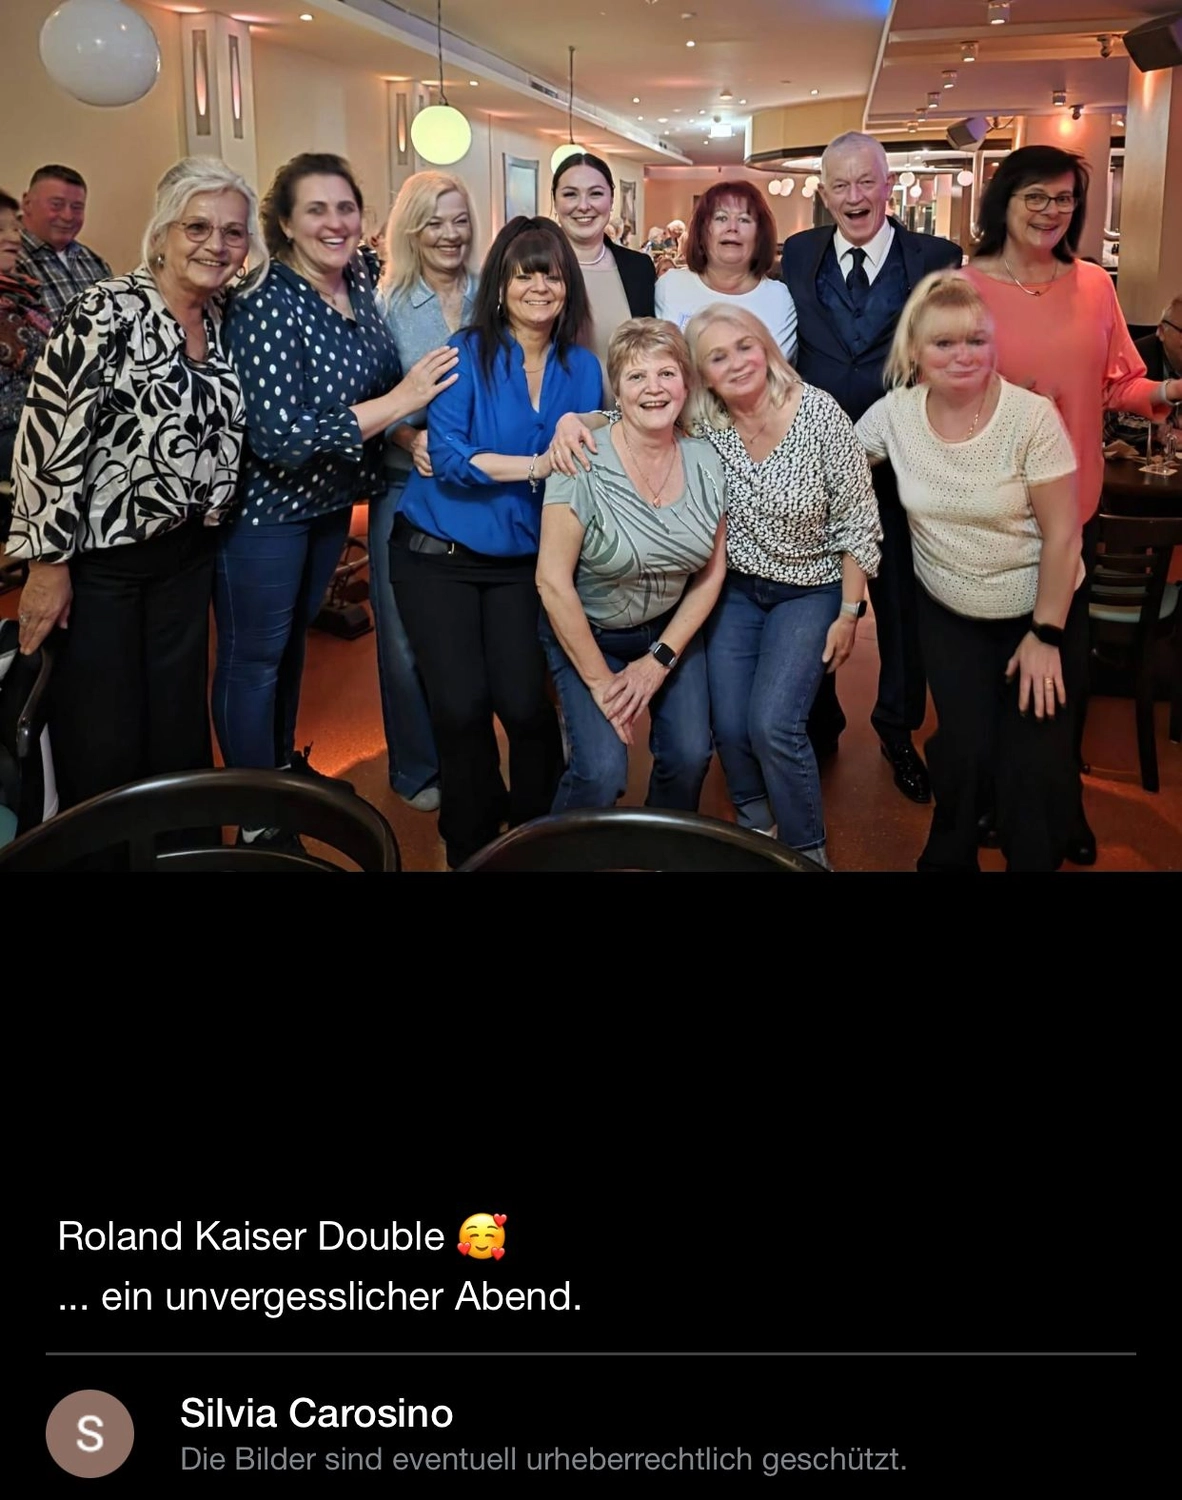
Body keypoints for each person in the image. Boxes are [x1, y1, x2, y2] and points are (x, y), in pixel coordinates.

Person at [213, 153, 458, 847]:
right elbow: (281, 437)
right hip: (267, 511)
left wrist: (403, 424)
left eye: (345, 208)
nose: (335, 223)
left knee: (290, 649)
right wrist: (403, 401)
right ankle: (256, 815)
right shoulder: (265, 299)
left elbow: (372, 387)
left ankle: (280, 773)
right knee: (253, 660)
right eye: (316, 210)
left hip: (329, 502)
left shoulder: (358, 278)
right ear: (285, 223)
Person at [7, 157, 260, 809]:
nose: (216, 244)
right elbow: (48, 436)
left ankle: (177, 844)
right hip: (102, 564)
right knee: (103, 731)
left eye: (233, 232)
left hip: (187, 555)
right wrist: (46, 564)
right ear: (163, 232)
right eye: (197, 227)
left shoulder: (223, 315)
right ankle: (106, 850)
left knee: (176, 724)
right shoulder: (107, 308)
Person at [962, 144, 1180, 864]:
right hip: (990, 515)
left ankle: (1060, 809)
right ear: (1004, 201)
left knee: (1062, 677)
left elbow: (1118, 383)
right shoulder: (965, 285)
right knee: (997, 675)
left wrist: (1166, 392)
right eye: (1036, 196)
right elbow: (939, 387)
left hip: (1070, 518)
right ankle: (997, 803)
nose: (1051, 211)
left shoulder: (1093, 284)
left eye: (1064, 199)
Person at [389, 216, 602, 869]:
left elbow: (597, 441)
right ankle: (472, 842)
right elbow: (450, 459)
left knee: (524, 704)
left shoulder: (582, 367)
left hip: (521, 561)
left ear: (567, 286)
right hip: (437, 555)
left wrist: (587, 423)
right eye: (524, 274)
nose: (539, 287)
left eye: (551, 275)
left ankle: (539, 833)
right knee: (460, 708)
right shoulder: (464, 353)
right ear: (501, 285)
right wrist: (539, 464)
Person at [856, 273, 1083, 871]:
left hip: (1041, 611)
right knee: (961, 753)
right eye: (944, 343)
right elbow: (832, 461)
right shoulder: (894, 416)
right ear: (915, 352)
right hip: (951, 614)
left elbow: (1064, 536)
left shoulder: (1030, 418)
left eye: (976, 341)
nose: (963, 356)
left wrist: (1045, 635)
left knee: (1030, 771)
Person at [781, 130, 961, 801]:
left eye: (866, 182)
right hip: (817, 463)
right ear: (824, 193)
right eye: (840, 184)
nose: (854, 196)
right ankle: (819, 720)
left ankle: (897, 729)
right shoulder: (798, 253)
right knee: (816, 593)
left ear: (889, 187)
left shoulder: (936, 257)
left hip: (904, 465)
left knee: (901, 607)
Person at [685, 305, 880, 868]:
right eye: (718, 357)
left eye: (745, 346)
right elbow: (628, 413)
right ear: (704, 376)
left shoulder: (819, 413)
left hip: (810, 588)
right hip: (736, 590)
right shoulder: (705, 423)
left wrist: (849, 612)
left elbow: (858, 522)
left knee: (773, 723)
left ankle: (805, 852)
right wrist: (579, 423)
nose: (737, 363)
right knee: (728, 724)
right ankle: (755, 821)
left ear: (766, 347)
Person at [536, 318, 727, 811]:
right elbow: (552, 582)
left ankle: (652, 844)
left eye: (666, 373)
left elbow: (711, 574)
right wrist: (602, 684)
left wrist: (658, 660)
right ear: (617, 391)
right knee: (600, 773)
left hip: (668, 628)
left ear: (686, 384)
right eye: (637, 376)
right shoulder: (580, 458)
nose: (654, 388)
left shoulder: (707, 460)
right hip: (590, 629)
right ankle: (552, 847)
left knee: (690, 755)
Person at [372, 171, 479, 814]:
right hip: (402, 482)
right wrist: (408, 436)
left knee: (465, 634)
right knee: (402, 637)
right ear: (411, 229)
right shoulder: (386, 306)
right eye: (435, 221)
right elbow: (371, 402)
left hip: (479, 484)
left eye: (460, 220)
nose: (449, 234)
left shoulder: (490, 295)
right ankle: (415, 765)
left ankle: (469, 761)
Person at [551, 152, 656, 394]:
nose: (583, 206)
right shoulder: (536, 269)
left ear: (611, 199)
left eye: (596, 194)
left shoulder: (639, 268)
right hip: (555, 412)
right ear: (555, 201)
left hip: (627, 411)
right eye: (570, 194)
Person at [656, 183, 797, 360]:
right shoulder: (669, 286)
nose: (732, 227)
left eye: (744, 219)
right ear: (701, 232)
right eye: (721, 218)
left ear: (759, 236)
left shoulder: (779, 298)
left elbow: (771, 370)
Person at [1, 189, 52, 512]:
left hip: (37, 420)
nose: (13, 237)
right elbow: (49, 363)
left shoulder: (21, 291)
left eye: (15, 227)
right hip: (9, 429)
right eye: (0, 229)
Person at [16, 165, 112, 322]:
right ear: (27, 203)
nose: (68, 216)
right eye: (56, 205)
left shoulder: (94, 262)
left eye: (77, 207)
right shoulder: (10, 260)